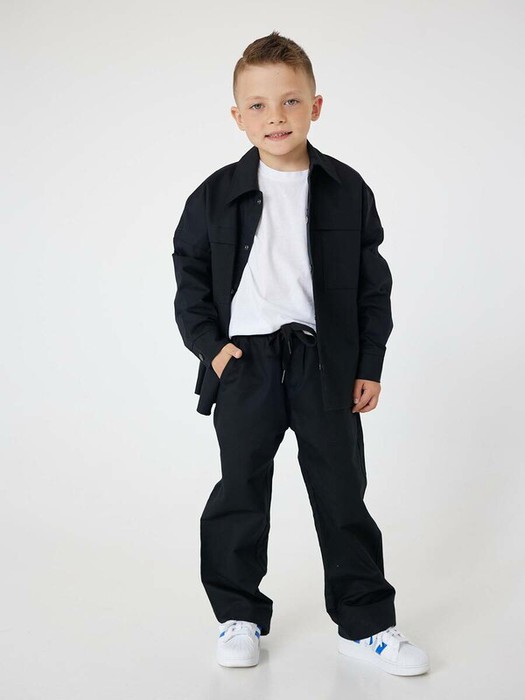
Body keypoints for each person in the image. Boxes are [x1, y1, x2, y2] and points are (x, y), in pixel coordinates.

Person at [172, 30, 430, 676]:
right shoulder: (214, 195)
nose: (275, 116)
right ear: (237, 116)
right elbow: (190, 279)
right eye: (258, 105)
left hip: (324, 365)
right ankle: (237, 616)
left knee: (342, 494)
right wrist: (214, 352)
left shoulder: (346, 188)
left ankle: (365, 625)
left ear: (315, 106)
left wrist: (368, 364)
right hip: (247, 366)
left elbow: (372, 285)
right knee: (240, 492)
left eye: (290, 101)